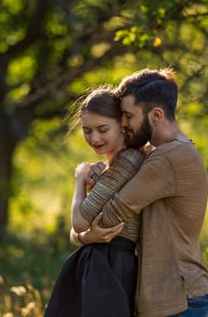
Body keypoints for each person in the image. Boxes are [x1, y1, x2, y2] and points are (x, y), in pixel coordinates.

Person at [76, 68, 208, 317]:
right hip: (175, 294)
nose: (124, 123)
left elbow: (108, 217)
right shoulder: (165, 151)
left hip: (177, 297)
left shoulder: (168, 157)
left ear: (156, 115)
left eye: (128, 116)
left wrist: (85, 235)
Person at [44, 87, 146, 317]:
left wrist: (80, 179)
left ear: (122, 124)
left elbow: (79, 222)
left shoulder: (127, 161)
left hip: (110, 266)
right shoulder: (116, 164)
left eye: (103, 129)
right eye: (87, 131)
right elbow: (80, 232)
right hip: (106, 262)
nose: (94, 138)